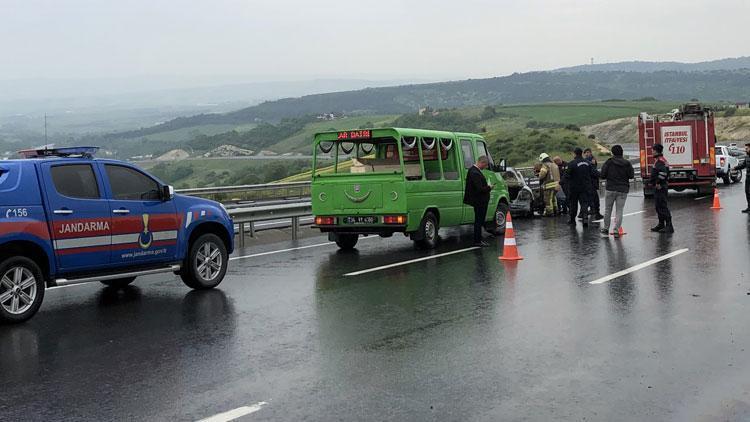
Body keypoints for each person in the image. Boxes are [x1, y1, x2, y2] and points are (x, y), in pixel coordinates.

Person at [599, 145, 635, 237]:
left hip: (610, 188)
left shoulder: (609, 162)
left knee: (608, 209)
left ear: (612, 152)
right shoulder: (627, 163)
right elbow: (631, 176)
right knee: (619, 210)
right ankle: (616, 229)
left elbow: (602, 175)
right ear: (622, 152)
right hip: (623, 189)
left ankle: (606, 228)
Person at [464, 156, 494, 246]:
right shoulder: (474, 172)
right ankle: (477, 240)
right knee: (479, 221)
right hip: (479, 200)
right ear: (482, 163)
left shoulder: (473, 171)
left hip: (479, 200)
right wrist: (489, 187)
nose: (485, 167)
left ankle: (479, 239)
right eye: (485, 165)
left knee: (479, 220)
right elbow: (479, 189)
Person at [565, 148, 593, 227]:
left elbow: (566, 175)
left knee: (573, 204)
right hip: (585, 187)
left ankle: (572, 220)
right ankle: (585, 218)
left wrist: (561, 183)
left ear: (574, 154)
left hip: (574, 188)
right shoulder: (588, 163)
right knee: (584, 203)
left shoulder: (571, 163)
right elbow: (593, 172)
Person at [649, 143, 673, 233]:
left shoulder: (660, 161)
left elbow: (663, 173)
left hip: (660, 187)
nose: (652, 151)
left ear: (655, 151)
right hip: (659, 186)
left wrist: (658, 182)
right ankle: (661, 224)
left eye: (652, 150)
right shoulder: (659, 160)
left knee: (662, 206)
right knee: (658, 206)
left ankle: (669, 225)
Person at [582, 148, 604, 222]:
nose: (587, 154)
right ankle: (593, 213)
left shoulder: (591, 160)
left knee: (591, 199)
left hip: (591, 182)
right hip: (590, 183)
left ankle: (589, 211)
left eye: (588, 152)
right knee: (593, 199)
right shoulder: (588, 161)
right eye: (586, 152)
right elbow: (593, 171)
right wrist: (602, 175)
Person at [743, 142, 750, 214]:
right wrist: (735, 168)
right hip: (748, 177)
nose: (745, 150)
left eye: (747, 148)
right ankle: (749, 207)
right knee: (747, 192)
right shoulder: (747, 157)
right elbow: (743, 165)